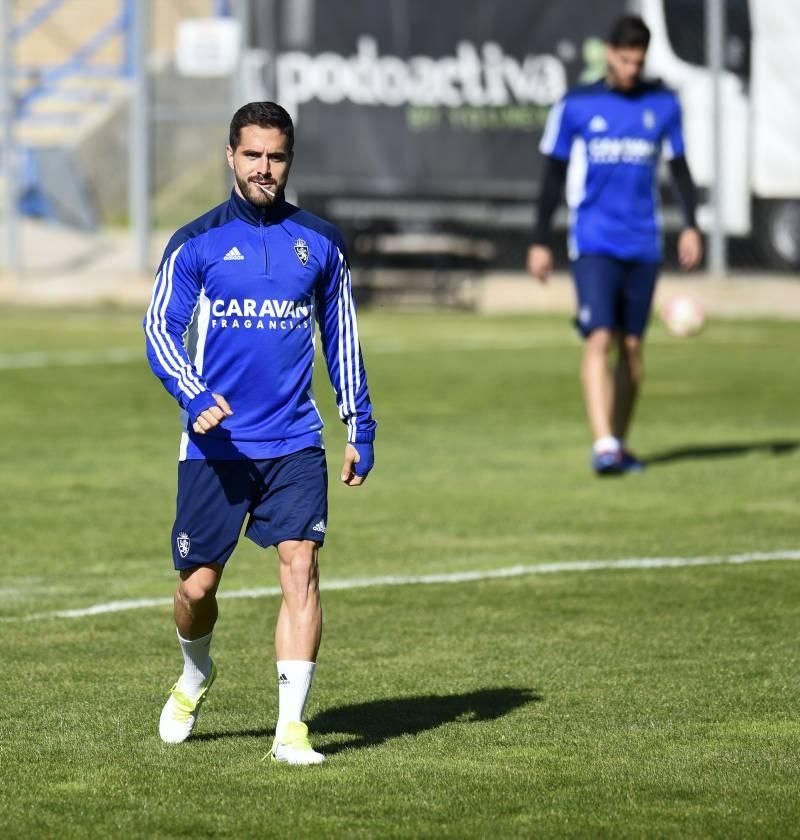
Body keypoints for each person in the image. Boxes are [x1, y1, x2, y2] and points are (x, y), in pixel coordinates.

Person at [144, 101, 377, 764]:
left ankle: (290, 730)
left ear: (289, 160)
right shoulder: (196, 242)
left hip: (295, 440)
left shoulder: (321, 243)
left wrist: (359, 423)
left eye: (275, 157)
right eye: (252, 155)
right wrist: (193, 396)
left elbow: (343, 340)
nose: (264, 168)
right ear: (230, 156)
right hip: (215, 449)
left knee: (301, 567)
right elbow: (159, 329)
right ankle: (195, 674)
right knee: (196, 589)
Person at [527, 14, 703, 475]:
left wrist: (691, 225)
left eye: (638, 61)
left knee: (631, 347)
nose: (630, 68)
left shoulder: (662, 104)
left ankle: (619, 444)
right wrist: (540, 241)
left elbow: (680, 168)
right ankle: (603, 442)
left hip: (643, 241)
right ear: (609, 53)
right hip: (593, 240)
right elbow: (552, 177)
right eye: (624, 59)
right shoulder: (577, 105)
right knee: (599, 336)